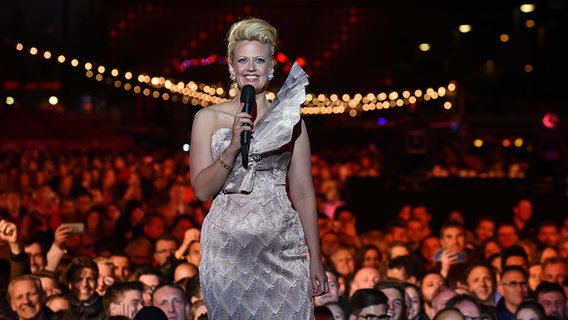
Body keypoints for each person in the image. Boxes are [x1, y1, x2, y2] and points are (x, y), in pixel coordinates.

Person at [189, 17, 327, 318]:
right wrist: (233, 145)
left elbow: (303, 193)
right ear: (231, 67)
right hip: (227, 252)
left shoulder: (292, 122)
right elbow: (201, 190)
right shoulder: (207, 118)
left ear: (271, 67)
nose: (250, 67)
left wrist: (315, 257)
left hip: (282, 248)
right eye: (243, 60)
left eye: (259, 60)